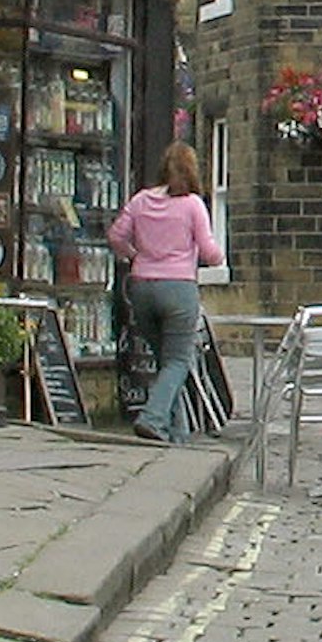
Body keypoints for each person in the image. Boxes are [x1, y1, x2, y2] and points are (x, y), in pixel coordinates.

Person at [106, 144, 218, 445]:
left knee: (166, 362)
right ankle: (153, 418)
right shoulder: (193, 204)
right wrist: (218, 258)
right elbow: (208, 251)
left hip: (142, 287)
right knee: (178, 361)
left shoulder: (141, 200)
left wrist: (135, 255)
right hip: (179, 288)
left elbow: (116, 235)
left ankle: (176, 432)